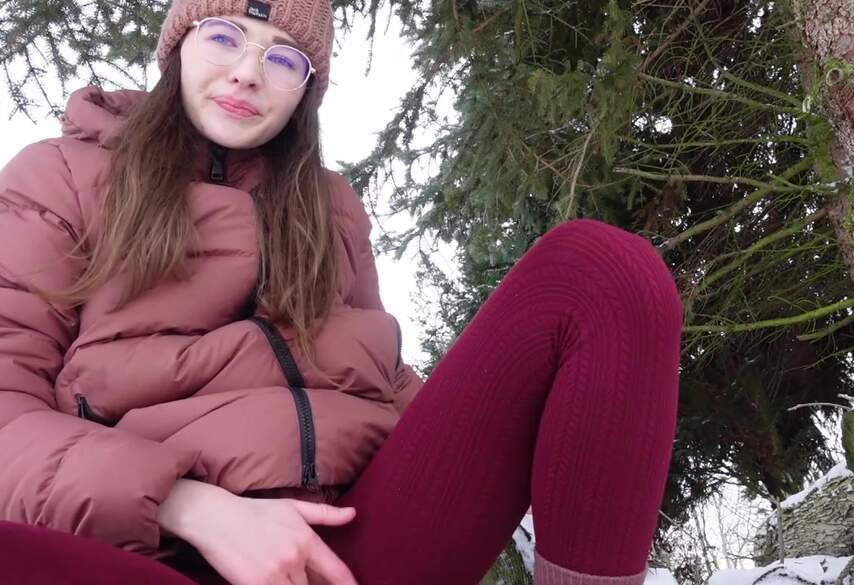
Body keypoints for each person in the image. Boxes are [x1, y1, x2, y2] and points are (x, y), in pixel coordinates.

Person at [0, 0, 684, 583]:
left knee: (601, 272)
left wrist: (512, 444)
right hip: (153, 551)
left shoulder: (328, 210)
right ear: (179, 43)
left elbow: (382, 382)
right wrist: (189, 505)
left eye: (283, 58)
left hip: (350, 546)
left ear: (306, 89)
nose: (247, 72)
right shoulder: (62, 176)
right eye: (224, 36)